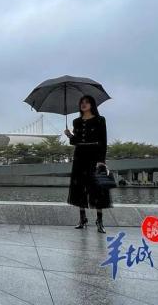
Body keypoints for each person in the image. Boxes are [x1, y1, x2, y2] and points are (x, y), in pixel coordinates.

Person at [64, 95, 112, 233]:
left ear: (92, 105)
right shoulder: (76, 121)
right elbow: (76, 142)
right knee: (80, 187)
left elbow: (104, 141)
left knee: (98, 188)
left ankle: (99, 220)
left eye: (87, 102)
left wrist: (101, 161)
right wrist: (70, 136)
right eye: (82, 102)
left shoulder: (100, 120)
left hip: (95, 156)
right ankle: (82, 219)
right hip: (80, 156)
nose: (84, 104)